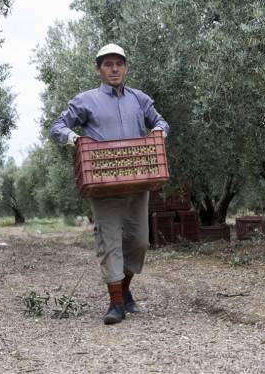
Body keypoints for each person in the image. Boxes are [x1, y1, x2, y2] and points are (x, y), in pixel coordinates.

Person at [50, 43, 169, 325]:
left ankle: (125, 290)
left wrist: (158, 132)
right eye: (108, 64)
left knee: (139, 242)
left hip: (138, 181)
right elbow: (57, 126)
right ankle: (116, 303)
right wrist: (75, 138)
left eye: (119, 63)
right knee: (110, 241)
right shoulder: (85, 100)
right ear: (98, 69)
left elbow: (162, 122)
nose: (114, 69)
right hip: (102, 184)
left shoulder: (140, 100)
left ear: (125, 68)